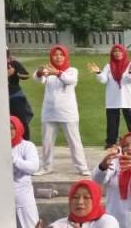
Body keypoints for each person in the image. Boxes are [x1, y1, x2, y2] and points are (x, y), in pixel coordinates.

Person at [34, 45, 90, 176]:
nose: (58, 57)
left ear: (65, 56)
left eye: (61, 54)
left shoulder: (72, 70)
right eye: (55, 54)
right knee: (47, 142)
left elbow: (70, 80)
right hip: (49, 112)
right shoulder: (48, 70)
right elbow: (37, 78)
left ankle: (82, 167)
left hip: (67, 113)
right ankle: (47, 167)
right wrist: (40, 71)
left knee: (74, 141)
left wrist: (57, 73)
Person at [11, 115, 50, 228]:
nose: (9, 132)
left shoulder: (26, 146)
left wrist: (14, 160)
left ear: (18, 128)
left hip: (22, 194)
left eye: (12, 128)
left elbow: (33, 167)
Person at [88, 44, 131, 148]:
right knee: (112, 122)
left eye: (119, 51)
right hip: (113, 98)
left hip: (127, 98)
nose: (117, 53)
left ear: (123, 52)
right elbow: (103, 80)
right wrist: (98, 72)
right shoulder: (109, 66)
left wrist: (130, 73)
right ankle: (111, 142)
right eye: (115, 51)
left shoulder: (130, 64)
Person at [7, 48, 35, 140]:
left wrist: (15, 72)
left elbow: (26, 75)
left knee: (21, 121)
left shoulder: (14, 63)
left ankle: (25, 142)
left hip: (14, 96)